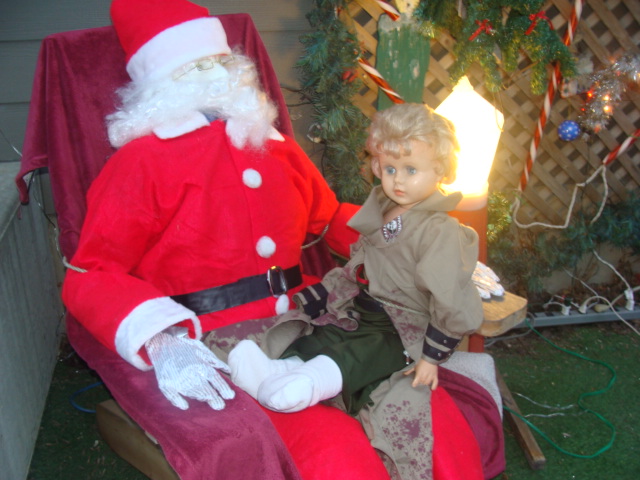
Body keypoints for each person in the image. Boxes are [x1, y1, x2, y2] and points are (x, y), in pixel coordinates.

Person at [60, 1, 393, 479]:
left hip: (311, 311)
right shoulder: (140, 164)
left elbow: (328, 217)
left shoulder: (274, 146)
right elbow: (91, 273)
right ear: (160, 82)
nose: (216, 74)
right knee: (330, 449)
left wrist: (415, 243)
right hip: (219, 334)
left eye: (220, 61)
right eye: (195, 66)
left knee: (423, 412)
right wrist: (161, 337)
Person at [229, 103, 485, 477]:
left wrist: (431, 357)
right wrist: (324, 296)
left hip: (403, 327)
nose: (398, 180)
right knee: (327, 333)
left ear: (440, 171)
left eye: (411, 170)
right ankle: (277, 371)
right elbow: (359, 266)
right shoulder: (383, 211)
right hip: (364, 308)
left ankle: (310, 384)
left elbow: (450, 297)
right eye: (390, 169)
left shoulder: (440, 232)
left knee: (366, 352)